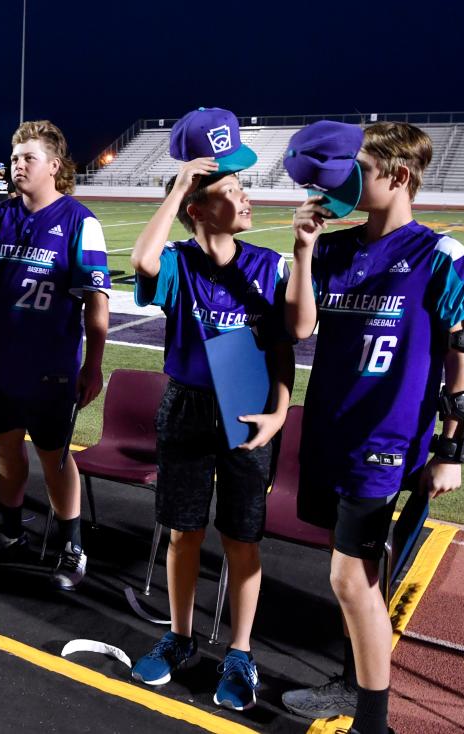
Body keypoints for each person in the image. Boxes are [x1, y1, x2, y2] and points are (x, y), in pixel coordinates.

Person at [281, 122, 464, 734]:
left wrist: (451, 451)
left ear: (397, 176)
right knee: (357, 578)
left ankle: (373, 721)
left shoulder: (438, 255)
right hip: (331, 430)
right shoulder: (334, 249)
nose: (343, 180)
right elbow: (300, 329)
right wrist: (305, 249)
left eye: (359, 169)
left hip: (387, 442)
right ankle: (349, 682)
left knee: (350, 575)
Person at [126, 107, 293, 711]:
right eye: (231, 190)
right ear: (199, 209)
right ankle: (179, 637)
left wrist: (280, 412)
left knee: (242, 537)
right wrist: (177, 191)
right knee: (183, 531)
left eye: (243, 187)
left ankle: (241, 652)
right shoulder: (178, 262)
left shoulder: (268, 267)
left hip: (248, 409)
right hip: (187, 407)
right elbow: (143, 263)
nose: (246, 198)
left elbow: (282, 351)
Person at [0, 120, 111, 590]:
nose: (17, 165)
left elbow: (97, 301)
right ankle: (10, 530)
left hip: (52, 365)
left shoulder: (81, 221)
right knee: (7, 449)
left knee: (54, 457)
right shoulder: (2, 215)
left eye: (28, 158)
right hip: (3, 358)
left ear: (55, 166)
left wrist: (92, 364)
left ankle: (72, 545)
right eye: (14, 158)